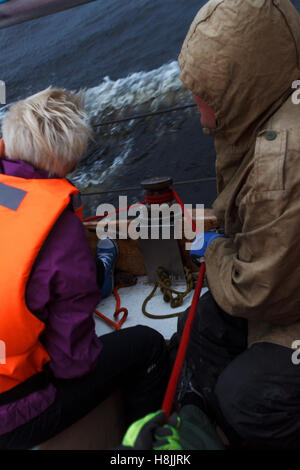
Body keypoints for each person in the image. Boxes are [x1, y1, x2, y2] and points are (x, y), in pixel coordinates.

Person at [0, 87, 170, 450]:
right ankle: (140, 449)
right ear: (68, 156)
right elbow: (73, 362)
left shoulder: (6, 194)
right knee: (150, 344)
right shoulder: (56, 232)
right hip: (11, 410)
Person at [170, 0, 300, 450]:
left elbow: (257, 292)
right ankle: (210, 429)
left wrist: (216, 250)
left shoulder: (281, 159)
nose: (194, 99)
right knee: (202, 320)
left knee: (246, 395)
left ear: (238, 87)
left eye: (204, 89)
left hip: (285, 302)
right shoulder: (270, 112)